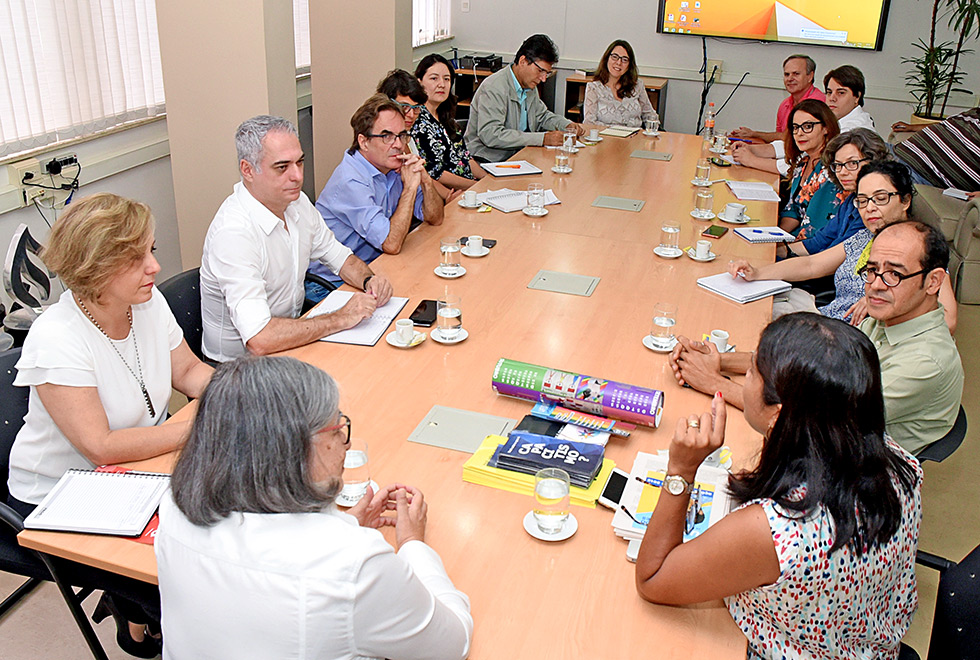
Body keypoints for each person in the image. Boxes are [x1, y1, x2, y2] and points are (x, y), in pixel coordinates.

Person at [639, 313, 922, 659]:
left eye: (753, 370)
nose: (744, 376)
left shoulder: (778, 529)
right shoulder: (899, 462)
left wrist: (681, 471)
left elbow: (653, 579)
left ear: (779, 413)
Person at [156, 356, 474, 659]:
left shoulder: (173, 505)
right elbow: (451, 644)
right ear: (293, 449)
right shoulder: (356, 565)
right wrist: (412, 544)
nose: (346, 443)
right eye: (336, 428)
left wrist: (344, 525)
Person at [7, 192, 214, 657]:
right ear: (95, 266)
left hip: (134, 468)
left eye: (152, 251)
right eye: (136, 257)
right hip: (60, 493)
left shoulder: (147, 304)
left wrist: (237, 393)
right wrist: (202, 426)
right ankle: (139, 616)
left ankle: (135, 615)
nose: (154, 267)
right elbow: (100, 446)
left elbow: (189, 372)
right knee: (180, 572)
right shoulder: (57, 337)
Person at [670, 220, 963, 455]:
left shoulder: (926, 361)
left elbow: (811, 423)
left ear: (933, 281)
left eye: (893, 275)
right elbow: (813, 365)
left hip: (850, 469)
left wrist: (714, 383)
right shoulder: (889, 317)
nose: (874, 286)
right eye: (872, 270)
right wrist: (717, 360)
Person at [200, 115, 393, 362]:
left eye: (299, 163)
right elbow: (260, 338)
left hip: (289, 343)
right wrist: (340, 318)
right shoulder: (234, 232)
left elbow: (340, 258)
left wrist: (369, 281)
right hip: (238, 369)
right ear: (247, 170)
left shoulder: (297, 202)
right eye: (282, 167)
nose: (297, 176)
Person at [730, 160, 957, 325]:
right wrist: (757, 273)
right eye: (862, 200)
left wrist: (884, 304)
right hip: (824, 317)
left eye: (880, 199)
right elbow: (811, 265)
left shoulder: (920, 248)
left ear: (905, 200)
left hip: (847, 343)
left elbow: (948, 319)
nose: (870, 208)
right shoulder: (865, 237)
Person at [314, 94, 444, 285]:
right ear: (364, 141)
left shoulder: (392, 167)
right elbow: (391, 243)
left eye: (401, 135)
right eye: (387, 136)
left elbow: (436, 217)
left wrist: (425, 181)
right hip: (334, 283)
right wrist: (409, 189)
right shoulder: (351, 180)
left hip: (377, 267)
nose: (399, 145)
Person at [464, 34, 584, 162]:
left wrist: (567, 125)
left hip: (519, 154)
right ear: (523, 62)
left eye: (547, 73)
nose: (543, 79)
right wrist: (542, 139)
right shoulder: (494, 88)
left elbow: (542, 116)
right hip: (489, 159)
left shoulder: (528, 85)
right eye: (540, 71)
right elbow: (491, 135)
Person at [780, 128, 890, 259]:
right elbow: (816, 243)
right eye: (838, 165)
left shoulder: (872, 210)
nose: (842, 172)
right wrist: (775, 252)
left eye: (852, 163)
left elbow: (822, 263)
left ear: (874, 161)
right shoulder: (851, 201)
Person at [414, 54, 485, 189]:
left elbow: (465, 157)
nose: (441, 84)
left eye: (446, 79)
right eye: (434, 78)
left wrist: (487, 179)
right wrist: (476, 186)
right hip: (449, 192)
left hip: (470, 186)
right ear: (419, 82)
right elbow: (436, 173)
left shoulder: (446, 116)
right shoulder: (418, 121)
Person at [778, 100, 841, 237]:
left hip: (810, 249)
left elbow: (813, 232)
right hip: (793, 239)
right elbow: (793, 211)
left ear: (826, 128)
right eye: (795, 127)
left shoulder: (829, 172)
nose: (799, 133)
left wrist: (778, 247)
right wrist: (771, 235)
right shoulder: (803, 162)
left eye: (807, 126)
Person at [730, 55, 825, 144]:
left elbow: (788, 137)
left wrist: (754, 134)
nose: (790, 79)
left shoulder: (817, 103)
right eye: (787, 74)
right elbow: (779, 141)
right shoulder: (785, 104)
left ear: (810, 76)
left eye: (796, 74)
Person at [892, 106, 980, 195]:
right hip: (898, 152)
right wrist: (913, 127)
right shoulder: (976, 112)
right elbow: (947, 123)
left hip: (923, 175)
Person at [583, 40, 658, 128]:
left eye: (624, 59)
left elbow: (650, 115)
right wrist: (618, 131)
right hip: (606, 138)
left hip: (635, 138)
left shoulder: (637, 86)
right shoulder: (594, 88)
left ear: (629, 65)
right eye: (615, 57)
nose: (619, 63)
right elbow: (589, 123)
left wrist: (653, 129)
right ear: (607, 59)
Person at [823, 65, 876, 132]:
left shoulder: (854, 131)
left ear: (857, 97)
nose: (832, 98)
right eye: (829, 92)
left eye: (841, 93)